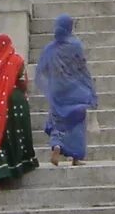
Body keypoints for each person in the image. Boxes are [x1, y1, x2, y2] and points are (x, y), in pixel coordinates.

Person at [34, 14, 98, 166]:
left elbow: (43, 70)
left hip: (57, 90)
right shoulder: (75, 46)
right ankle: (76, 157)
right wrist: (90, 88)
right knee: (77, 121)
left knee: (57, 120)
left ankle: (57, 145)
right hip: (75, 90)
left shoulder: (50, 49)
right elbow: (82, 67)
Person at [0, 33, 40, 188]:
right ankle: (18, 166)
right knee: (15, 134)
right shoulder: (16, 61)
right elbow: (22, 83)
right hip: (15, 102)